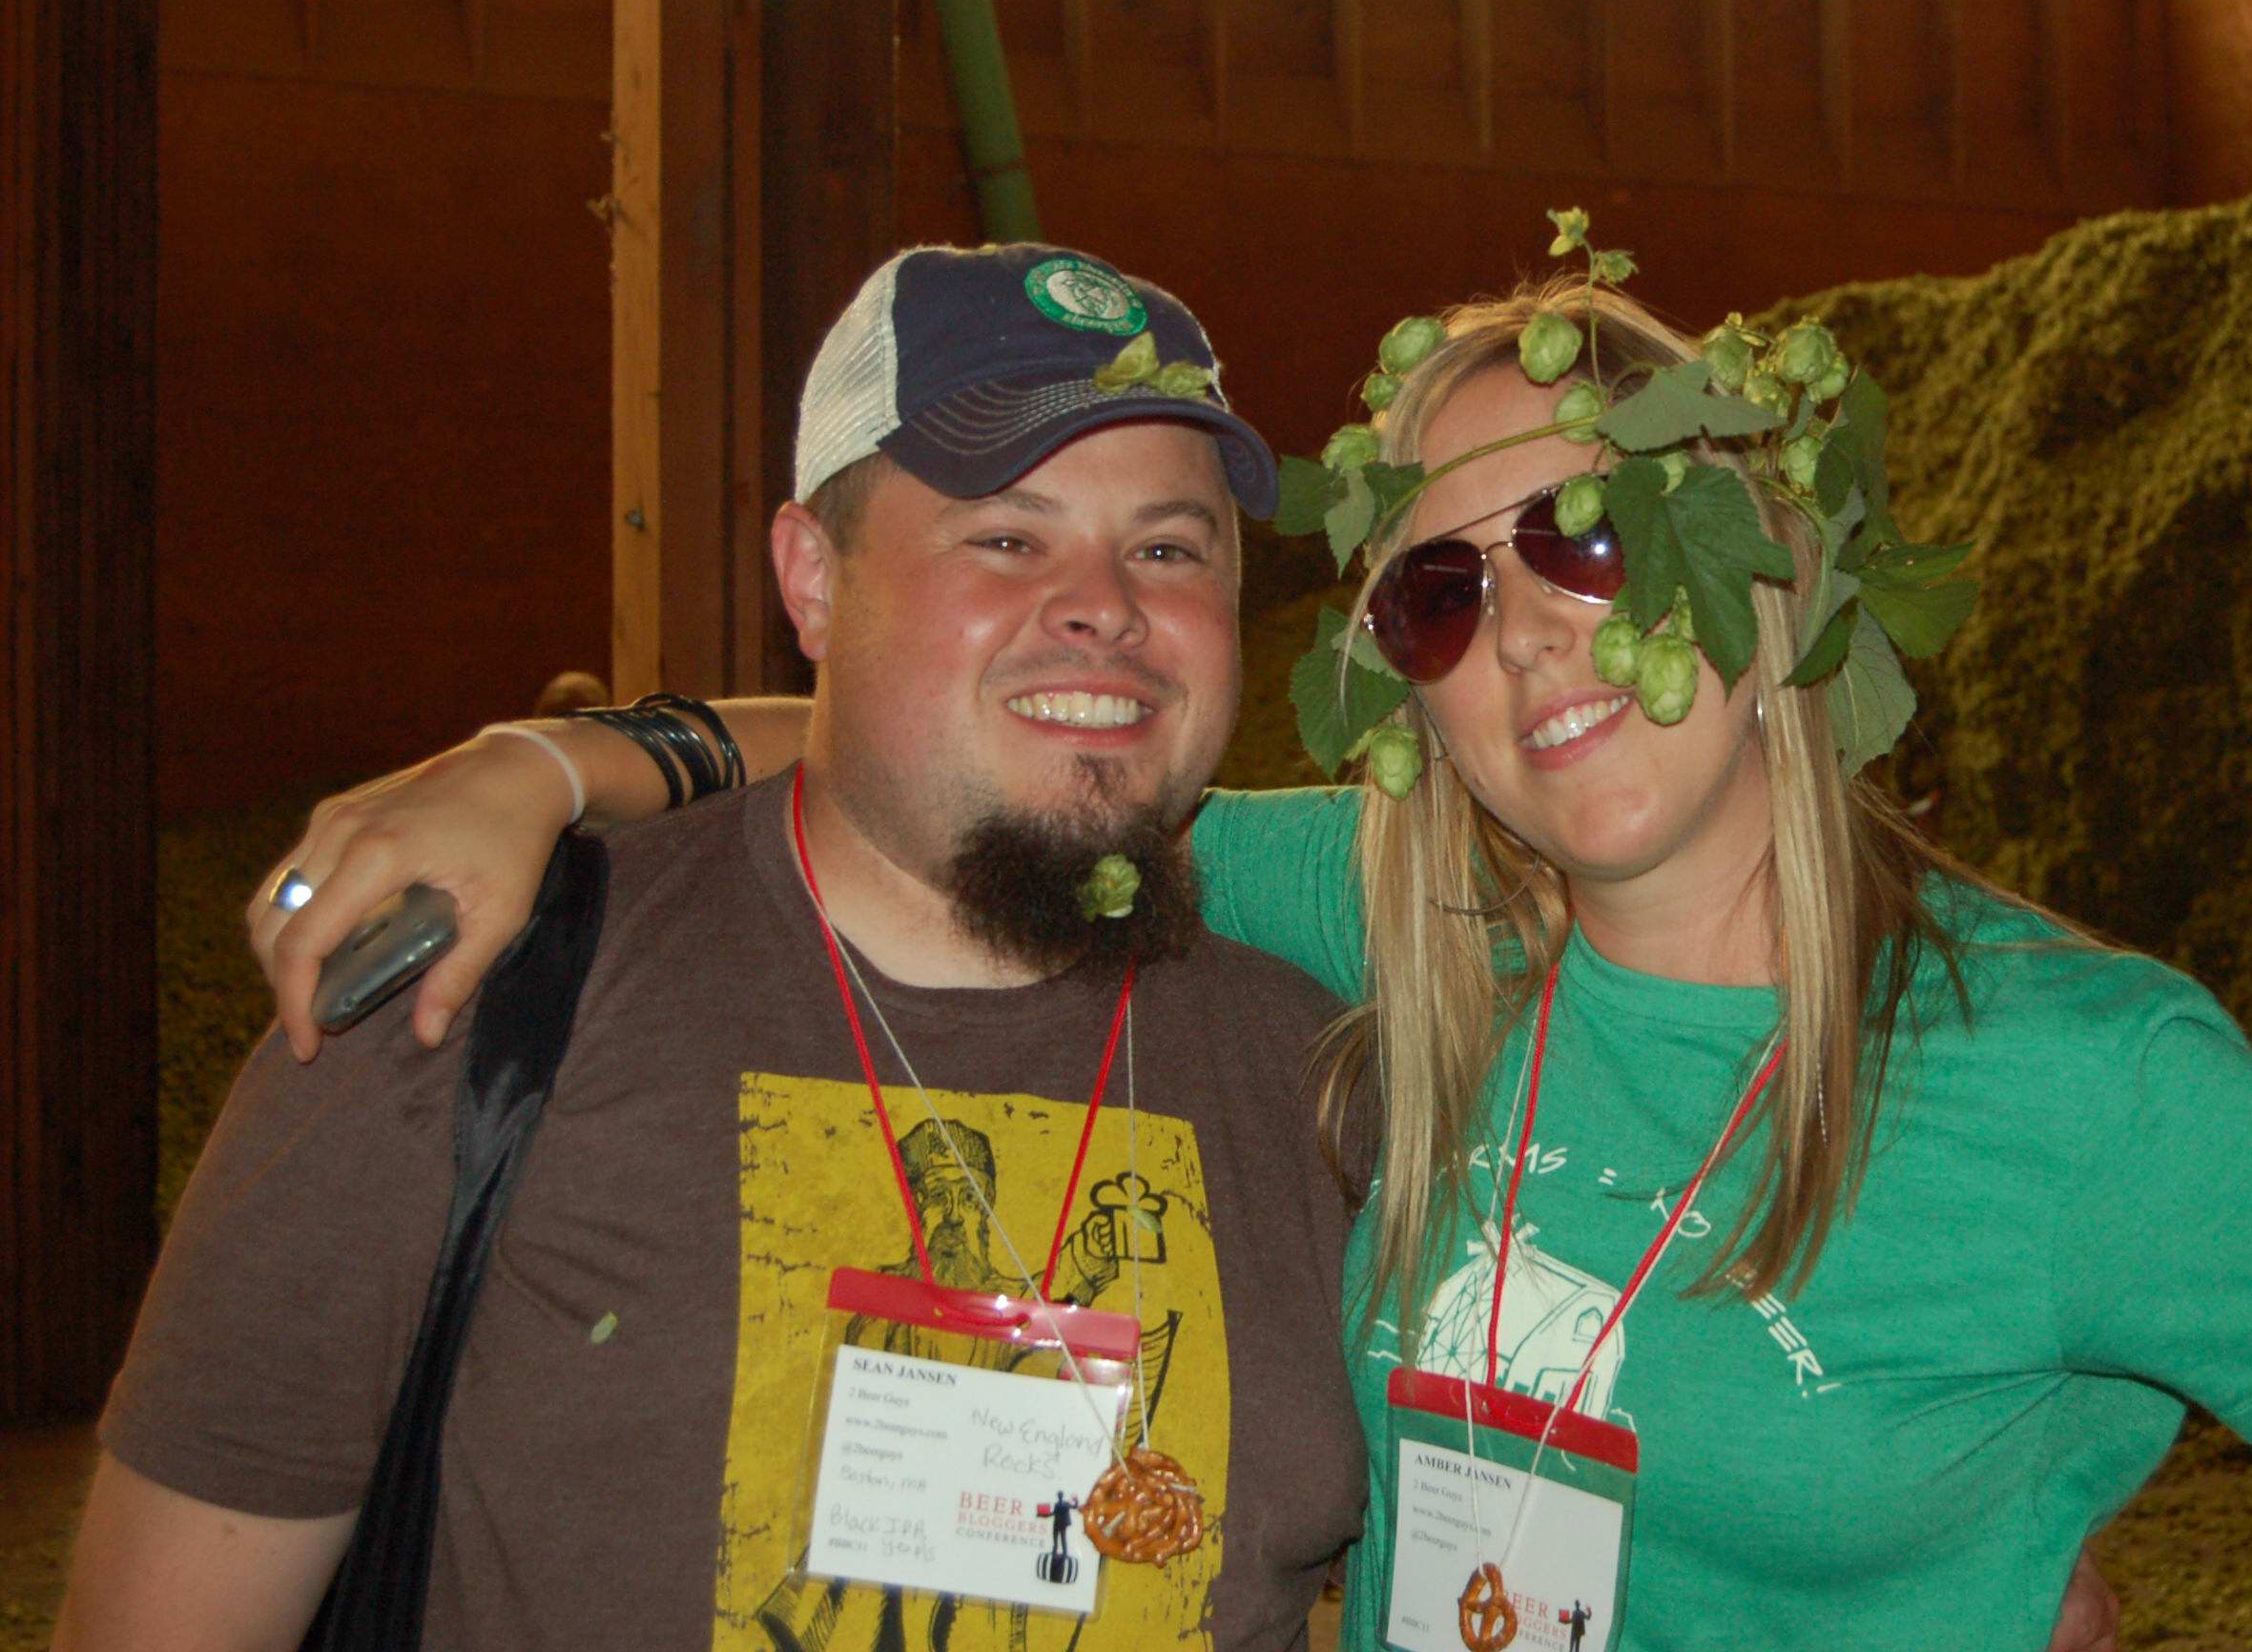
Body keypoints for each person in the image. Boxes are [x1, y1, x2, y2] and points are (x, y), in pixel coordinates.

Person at [231, 269, 2252, 1651]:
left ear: (1783, 577)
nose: (1534, 635)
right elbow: (1005, 750)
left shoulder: (2073, 1082)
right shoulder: (1400, 914)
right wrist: (566, 763)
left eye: (1601, 539)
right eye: (1444, 586)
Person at [57, 244, 1377, 1652]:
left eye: (1168, 547)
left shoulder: (1327, 1075)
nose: (1105, 604)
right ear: (813, 580)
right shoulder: (474, 1006)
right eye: (1006, 535)